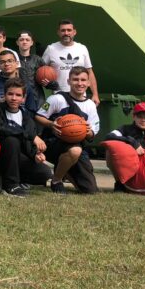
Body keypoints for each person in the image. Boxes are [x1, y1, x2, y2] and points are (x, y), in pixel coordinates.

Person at [35, 66, 99, 195]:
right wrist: (51, 124)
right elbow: (38, 116)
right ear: (69, 81)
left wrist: (87, 131)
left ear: (88, 83)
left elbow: (93, 132)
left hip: (76, 144)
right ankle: (56, 180)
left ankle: (66, 169)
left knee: (89, 190)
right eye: (75, 79)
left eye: (83, 80)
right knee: (75, 150)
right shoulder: (57, 99)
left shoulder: (90, 105)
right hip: (54, 143)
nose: (79, 83)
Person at [0, 78, 52, 197]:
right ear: (4, 95)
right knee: (12, 141)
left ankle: (9, 179)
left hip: (17, 159)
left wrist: (35, 155)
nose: (14, 98)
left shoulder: (26, 117)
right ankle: (10, 185)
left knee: (44, 172)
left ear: (24, 98)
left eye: (18, 95)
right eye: (10, 94)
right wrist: (32, 136)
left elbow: (28, 143)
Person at [41, 19, 99, 105]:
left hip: (80, 96)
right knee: (59, 118)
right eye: (63, 30)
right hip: (58, 97)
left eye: (69, 30)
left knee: (79, 119)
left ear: (74, 32)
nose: (66, 33)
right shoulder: (51, 49)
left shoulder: (82, 48)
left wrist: (95, 94)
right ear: (58, 32)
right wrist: (47, 83)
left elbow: (89, 72)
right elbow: (41, 71)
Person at [16, 30, 46, 108]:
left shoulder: (38, 60)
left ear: (32, 42)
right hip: (19, 98)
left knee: (41, 117)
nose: (24, 42)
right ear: (17, 42)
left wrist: (50, 83)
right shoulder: (13, 59)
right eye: (21, 40)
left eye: (27, 40)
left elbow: (50, 82)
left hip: (38, 99)